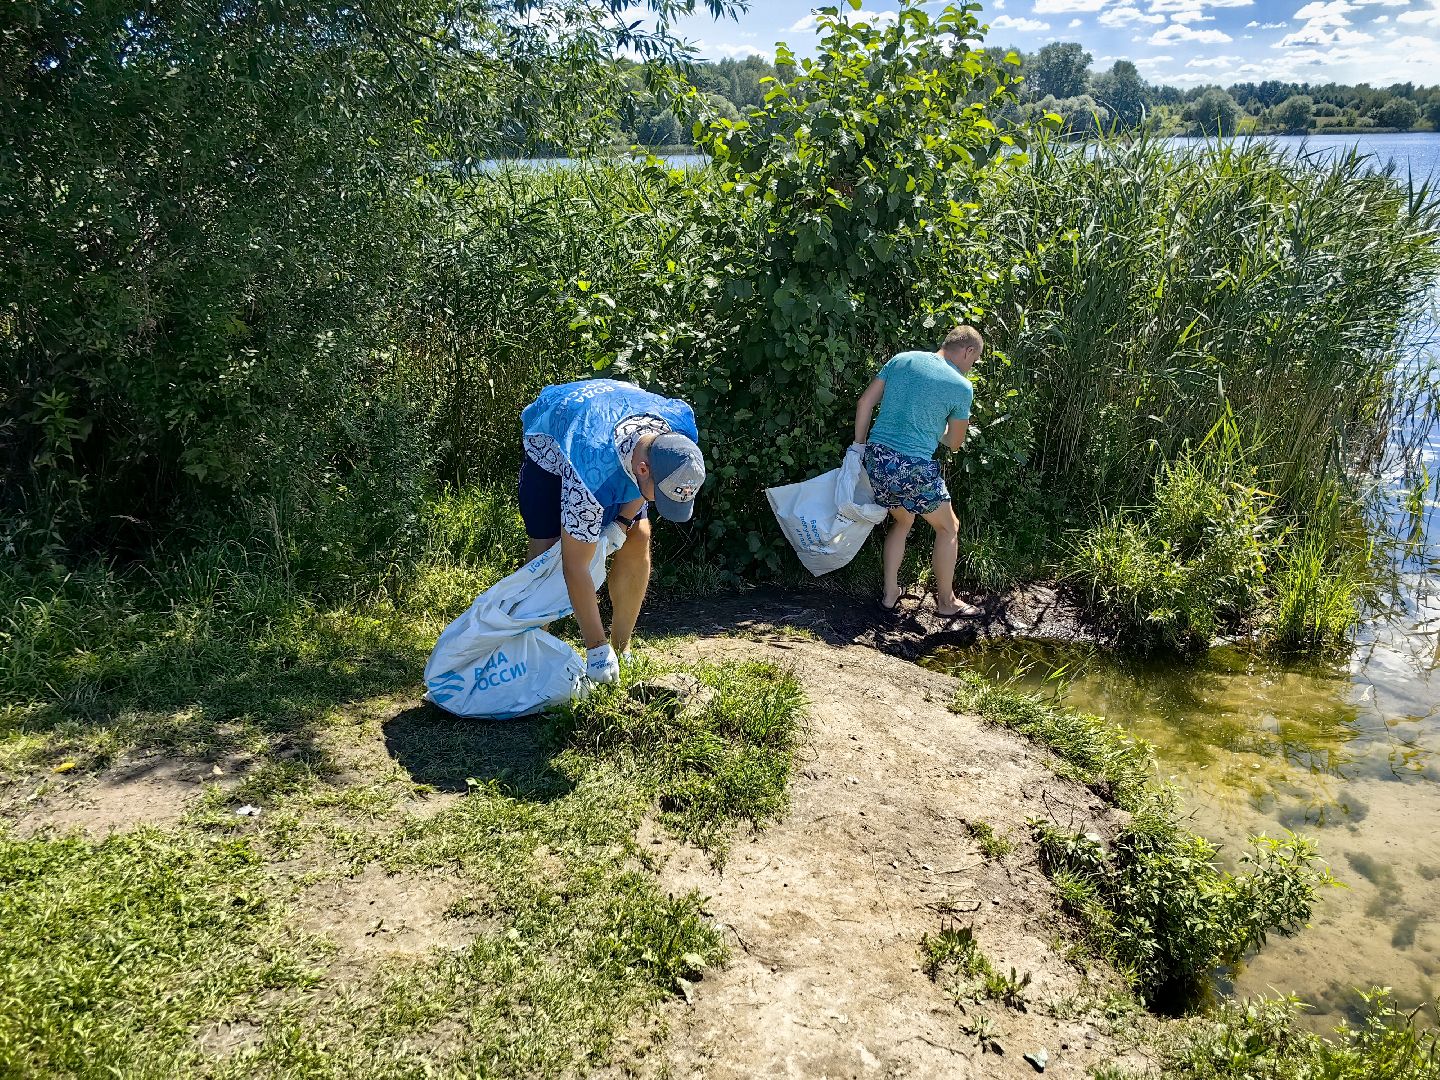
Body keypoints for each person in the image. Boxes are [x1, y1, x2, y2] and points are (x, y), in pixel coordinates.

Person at [518, 378, 706, 684]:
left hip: (618, 426)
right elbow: (574, 565)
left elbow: (642, 478)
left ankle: (622, 648)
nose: (661, 503)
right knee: (548, 553)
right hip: (554, 442)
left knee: (639, 534)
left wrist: (621, 524)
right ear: (644, 471)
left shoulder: (678, 433)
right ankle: (536, 657)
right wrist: (595, 647)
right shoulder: (589, 472)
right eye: (662, 494)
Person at [850, 326, 982, 617]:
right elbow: (955, 443)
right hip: (912, 467)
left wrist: (858, 447)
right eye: (973, 362)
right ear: (967, 351)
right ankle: (946, 603)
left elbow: (864, 402)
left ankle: (889, 595)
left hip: (876, 459)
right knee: (949, 527)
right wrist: (941, 430)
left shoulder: (901, 359)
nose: (970, 368)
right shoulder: (961, 386)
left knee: (903, 520)